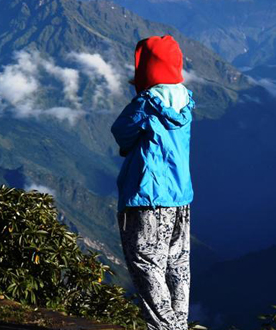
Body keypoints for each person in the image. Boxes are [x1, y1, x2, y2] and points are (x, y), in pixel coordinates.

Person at [111, 35, 194, 330]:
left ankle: (165, 328)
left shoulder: (146, 104)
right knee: (177, 265)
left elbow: (121, 131)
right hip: (181, 197)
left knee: (146, 264)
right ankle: (178, 323)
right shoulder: (186, 101)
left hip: (148, 198)